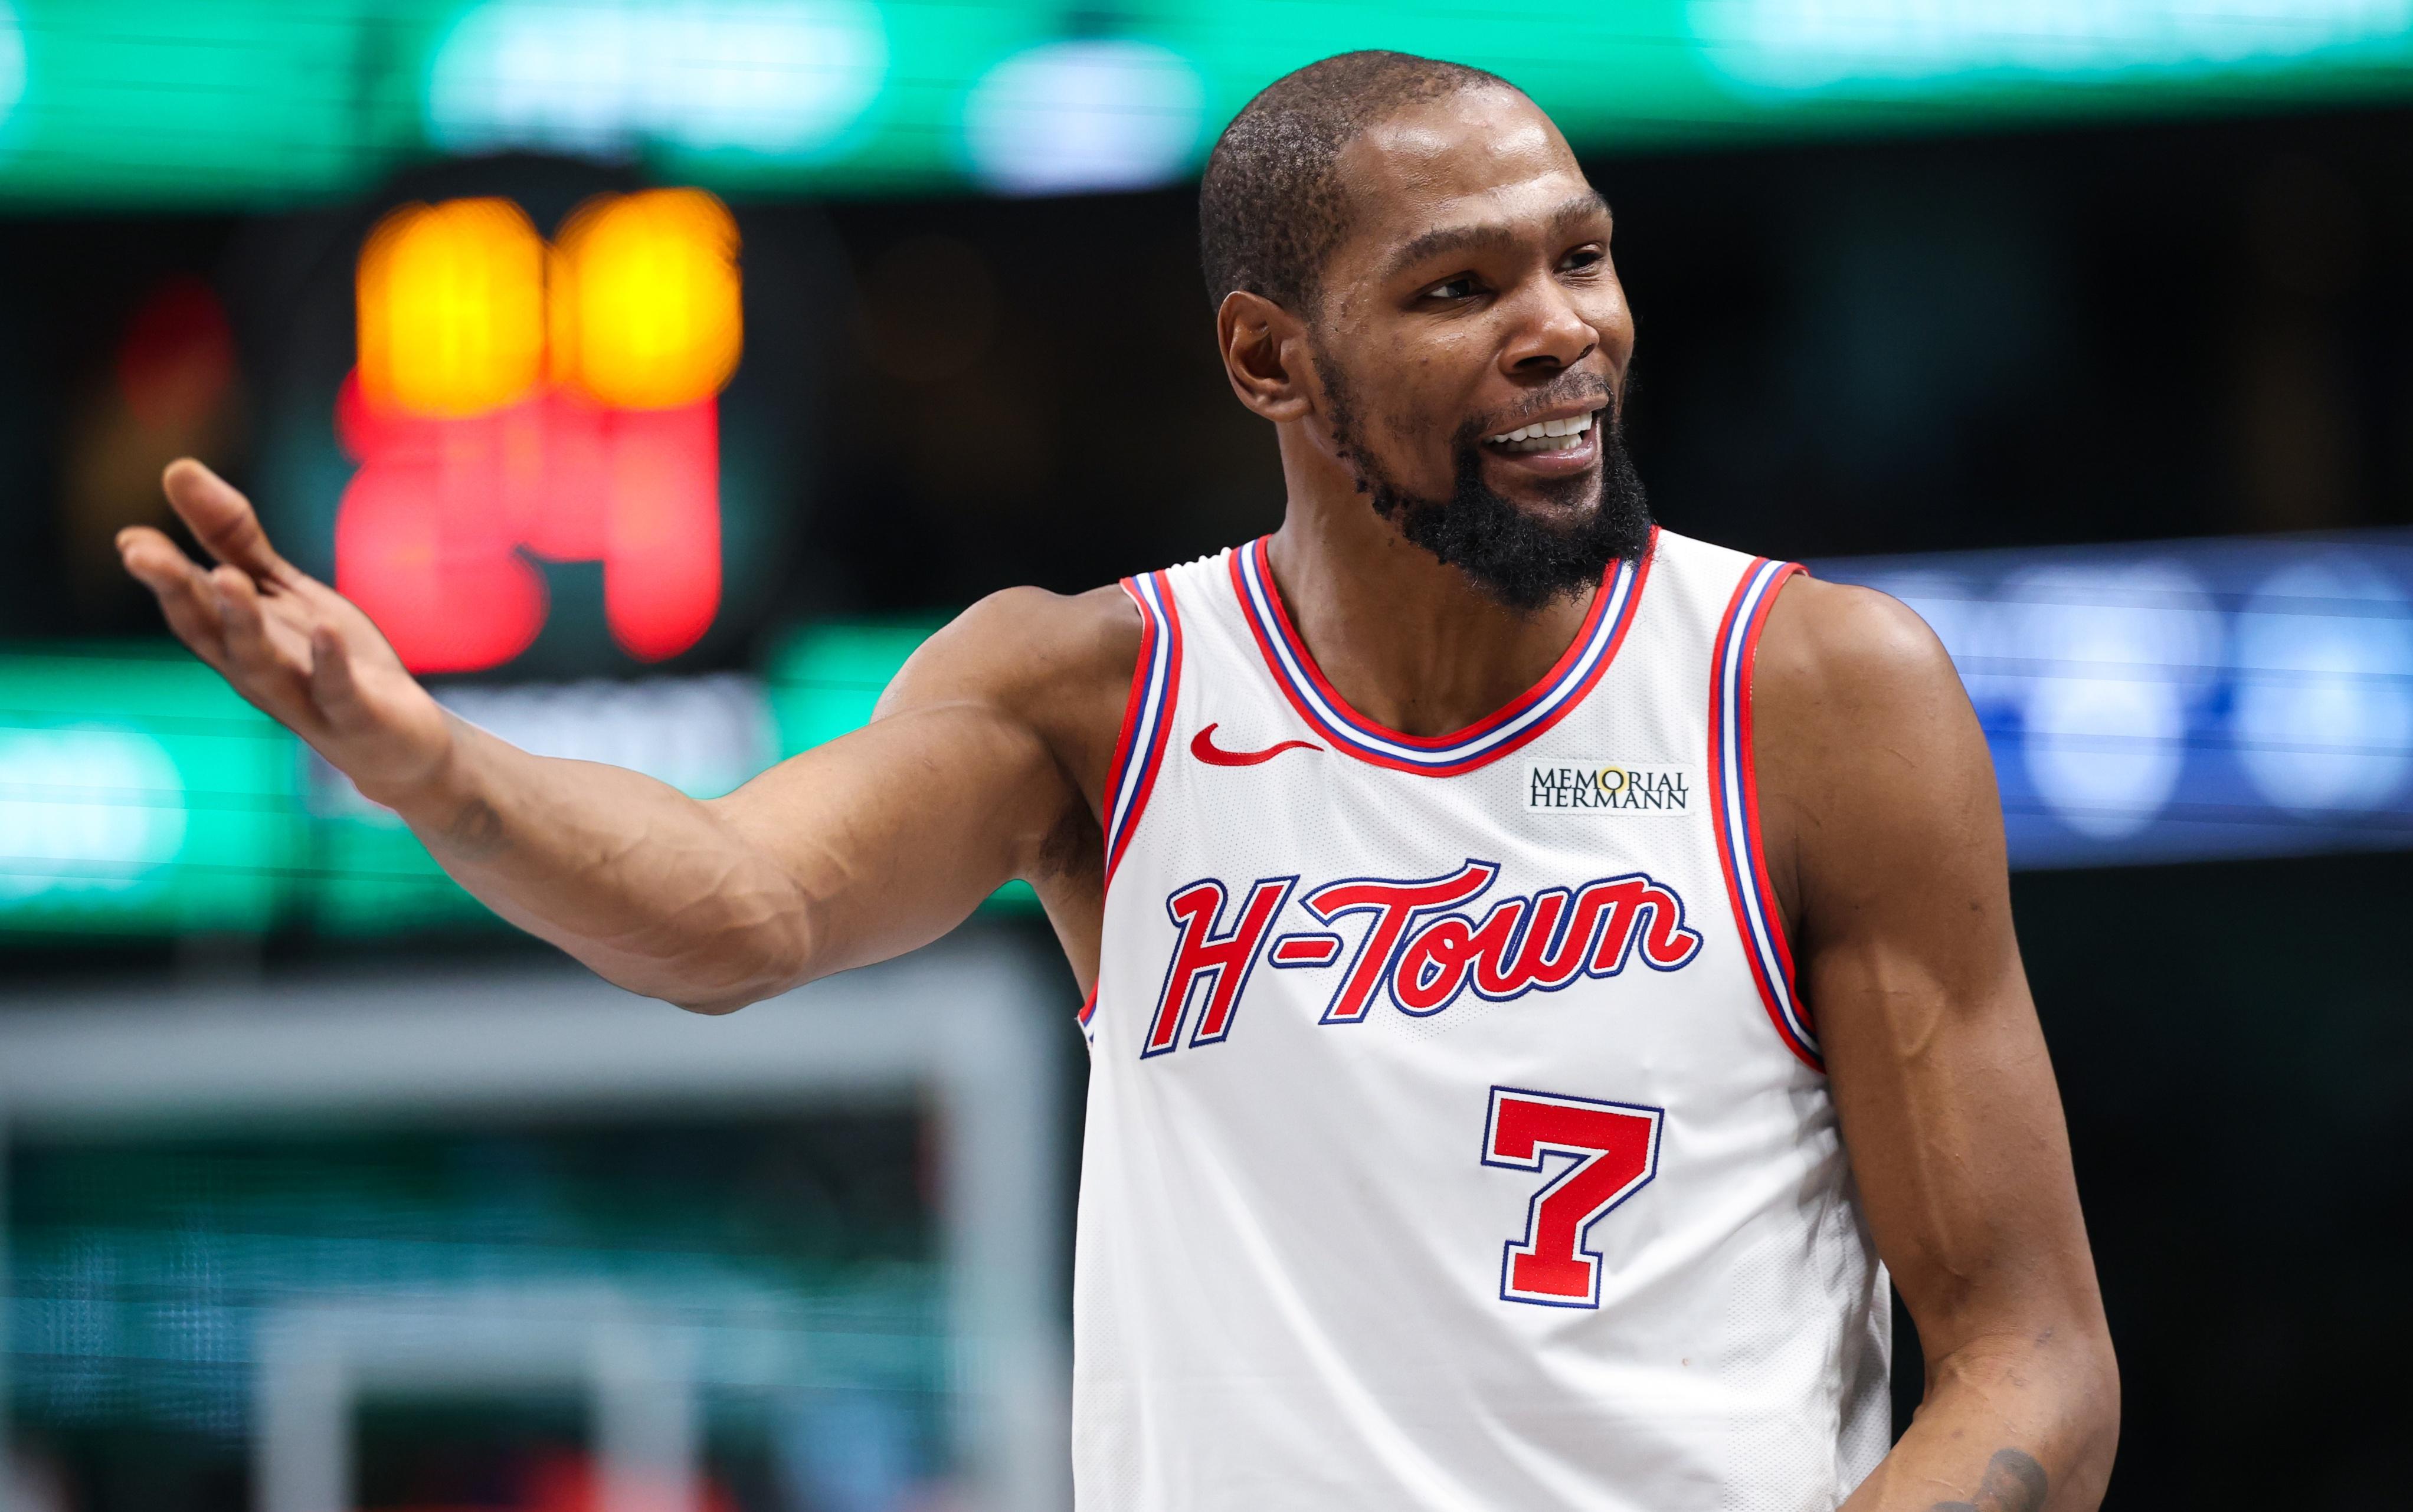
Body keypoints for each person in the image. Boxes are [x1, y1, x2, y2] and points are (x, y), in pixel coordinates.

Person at [119, 50, 2116, 1512]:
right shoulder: (1098, 694)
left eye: (1578, 260)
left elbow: (2030, 1354)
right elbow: (738, 909)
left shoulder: (1805, 693)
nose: (1558, 333)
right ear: (1268, 359)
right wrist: (430, 763)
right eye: (1458, 288)